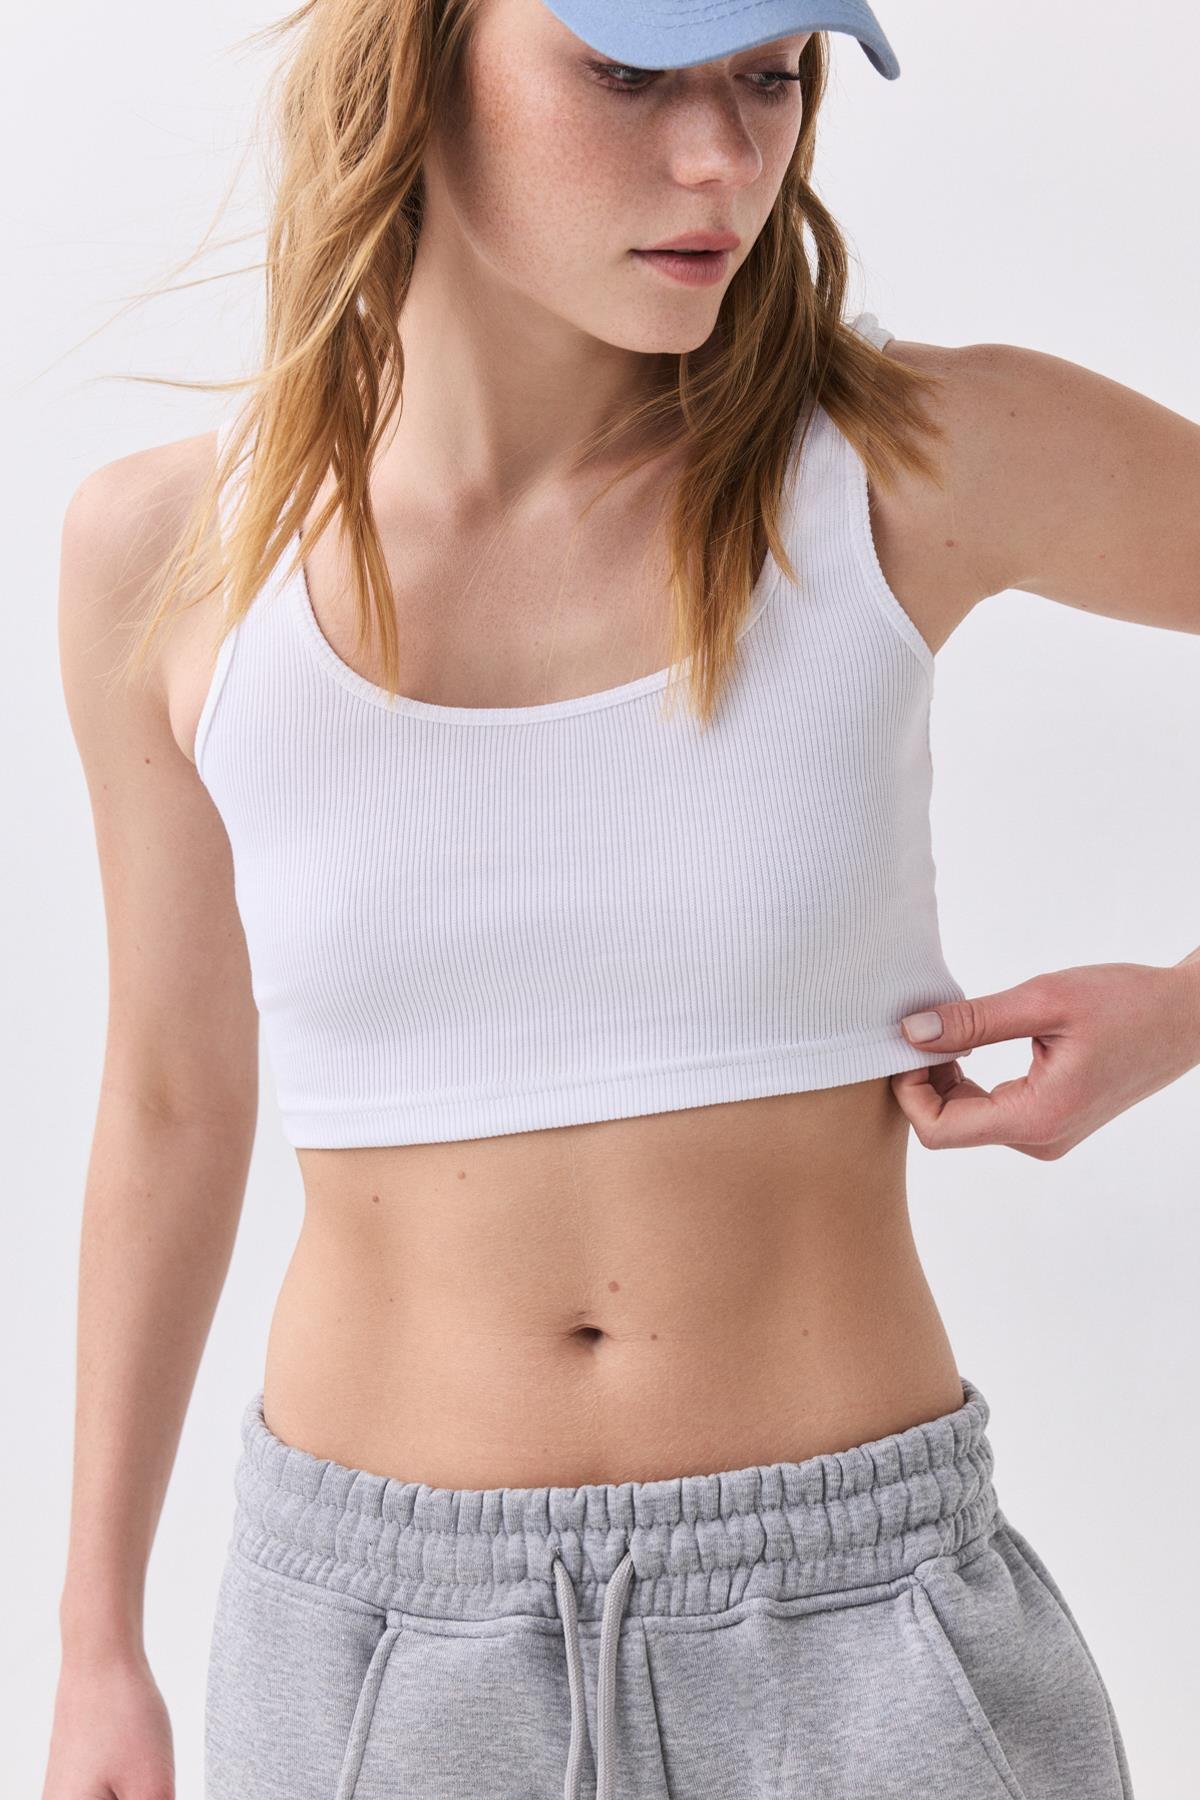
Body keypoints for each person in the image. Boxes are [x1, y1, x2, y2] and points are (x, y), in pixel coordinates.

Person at [47, 1, 1198, 1795]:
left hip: (865, 1639)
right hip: (372, 1661)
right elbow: (171, 1100)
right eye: (629, 73)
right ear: (418, 60)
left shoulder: (912, 463)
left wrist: (1187, 1012)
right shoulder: (173, 558)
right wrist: (93, 1642)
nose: (723, 158)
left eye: (771, 75)